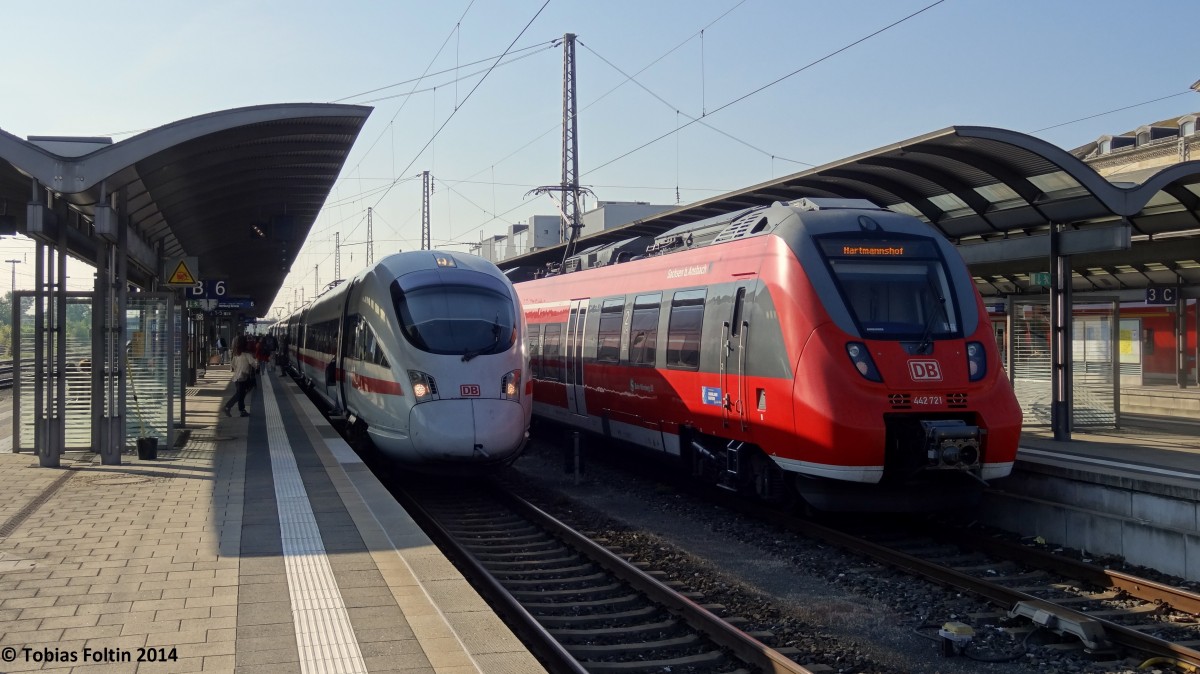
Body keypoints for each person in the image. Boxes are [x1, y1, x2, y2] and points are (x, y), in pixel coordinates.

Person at [223, 336, 256, 417]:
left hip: (237, 377)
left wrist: (239, 369)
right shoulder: (247, 354)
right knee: (240, 394)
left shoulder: (236, 354)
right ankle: (228, 406)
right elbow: (255, 364)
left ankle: (242, 410)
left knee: (241, 394)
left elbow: (233, 365)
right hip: (243, 377)